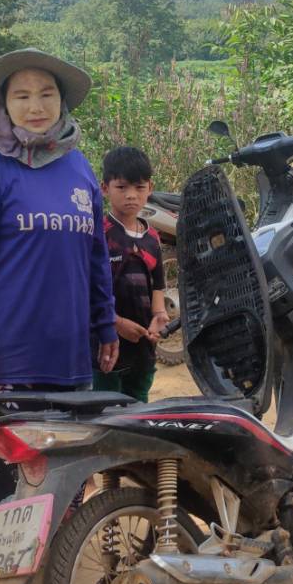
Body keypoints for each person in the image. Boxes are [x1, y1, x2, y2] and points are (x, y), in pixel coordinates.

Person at [0, 49, 119, 584]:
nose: (36, 106)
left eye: (46, 93)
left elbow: (96, 257)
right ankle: (2, 580)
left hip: (69, 352)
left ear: (62, 102)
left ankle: (50, 559)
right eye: (21, 95)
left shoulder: (80, 169)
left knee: (63, 465)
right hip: (6, 355)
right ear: (3, 105)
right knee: (2, 469)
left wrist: (104, 323)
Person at [92, 146, 169, 403]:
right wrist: (115, 323)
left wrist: (159, 315)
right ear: (105, 188)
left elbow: (158, 283)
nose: (131, 195)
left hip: (143, 348)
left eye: (139, 187)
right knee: (105, 410)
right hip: (105, 347)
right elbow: (86, 288)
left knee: (138, 407)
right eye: (122, 187)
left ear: (150, 188)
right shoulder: (99, 234)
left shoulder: (152, 238)